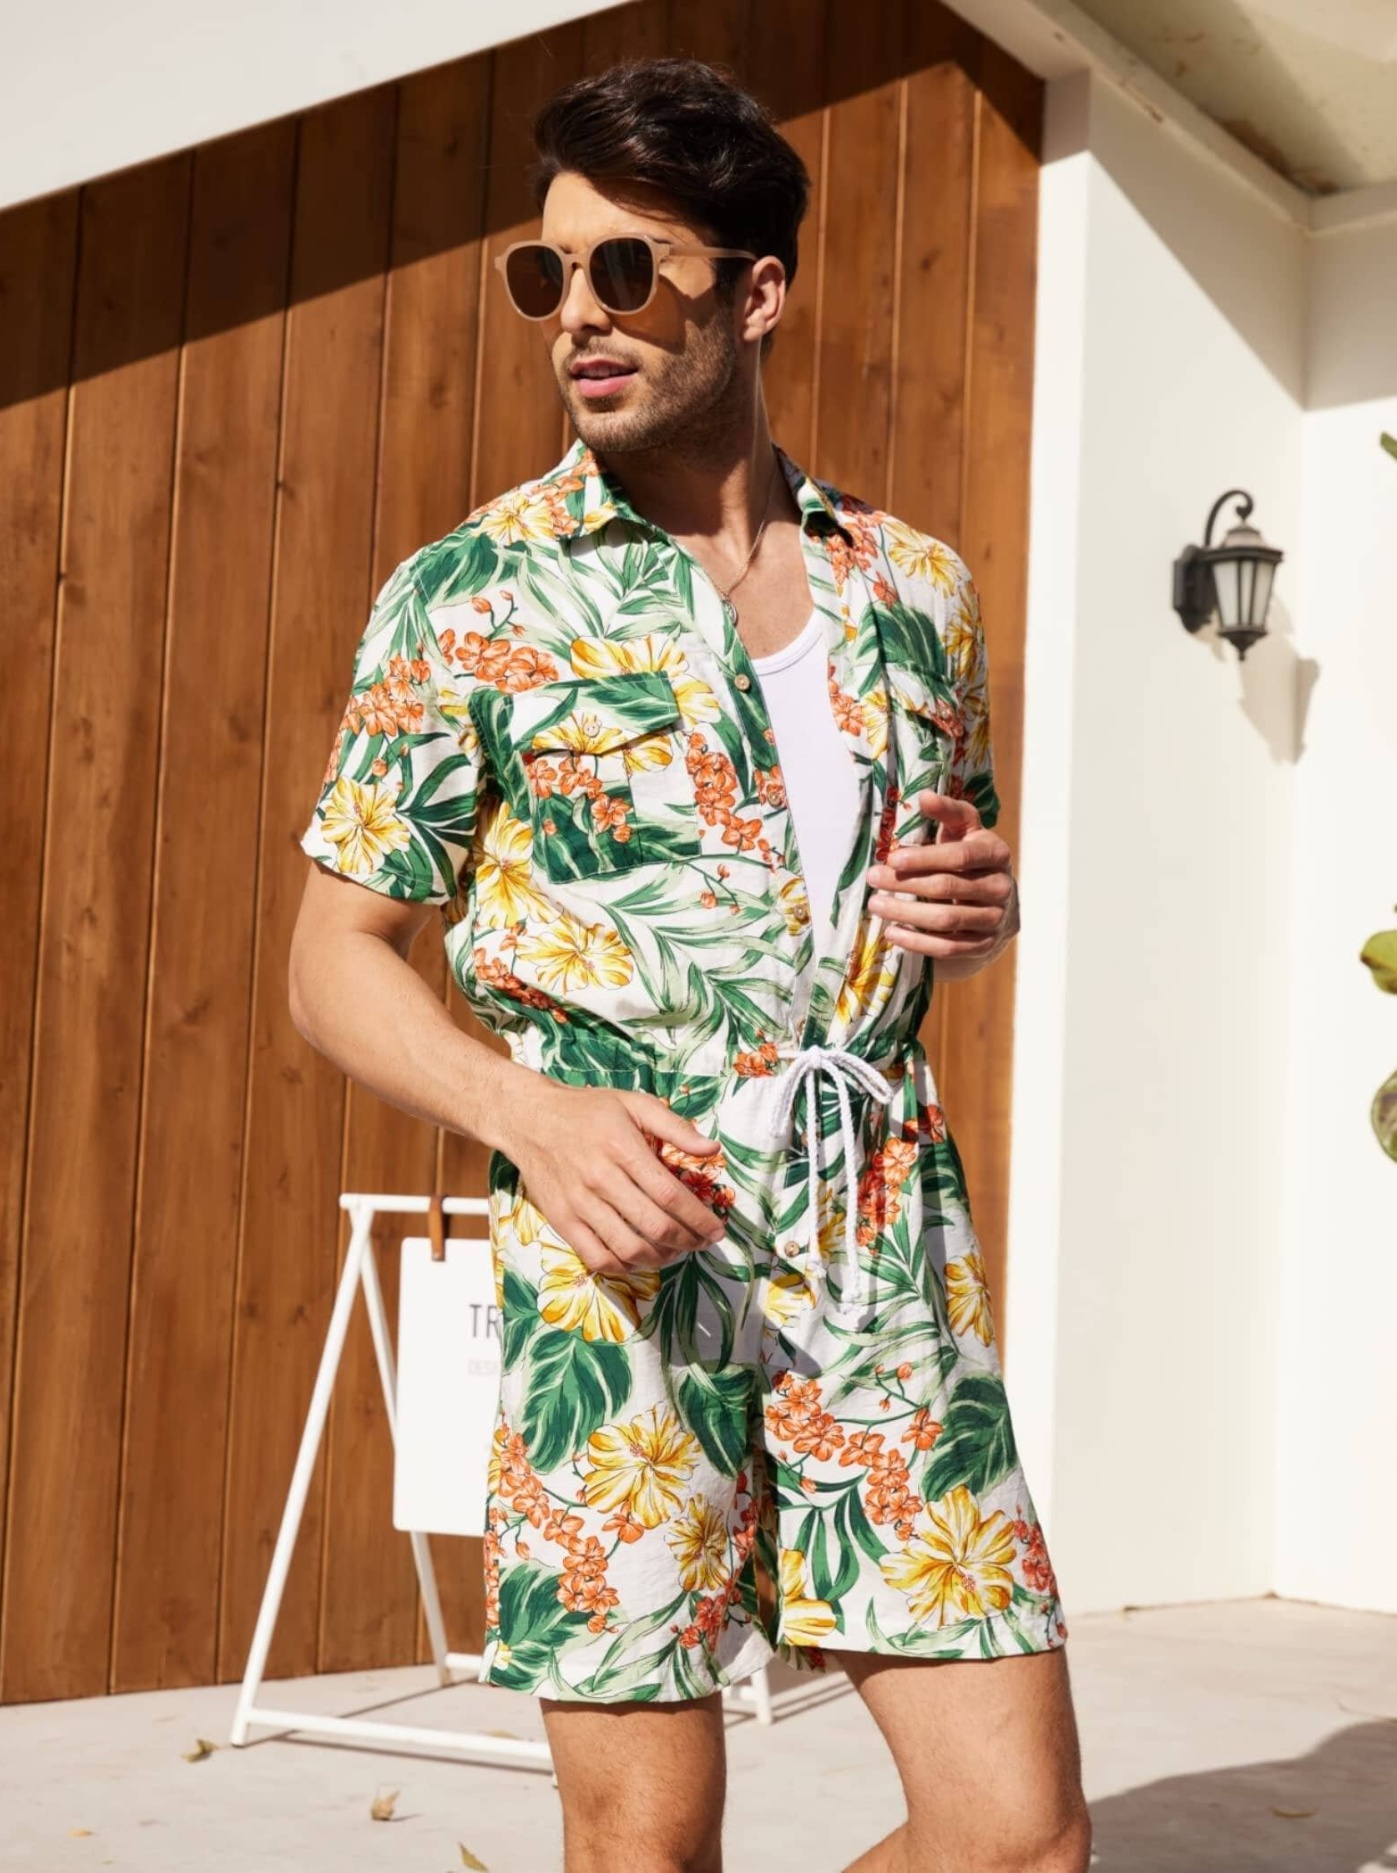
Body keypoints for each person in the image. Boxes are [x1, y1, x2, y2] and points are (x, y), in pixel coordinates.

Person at [290, 54, 1090, 1873]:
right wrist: (530, 1115)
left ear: (756, 290)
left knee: (1017, 1834)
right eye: (547, 273)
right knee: (643, 1847)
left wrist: (980, 910)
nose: (577, 312)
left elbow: (931, 889)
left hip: (878, 1252)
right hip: (617, 1261)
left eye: (626, 269)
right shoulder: (471, 597)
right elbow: (334, 956)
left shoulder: (914, 589)